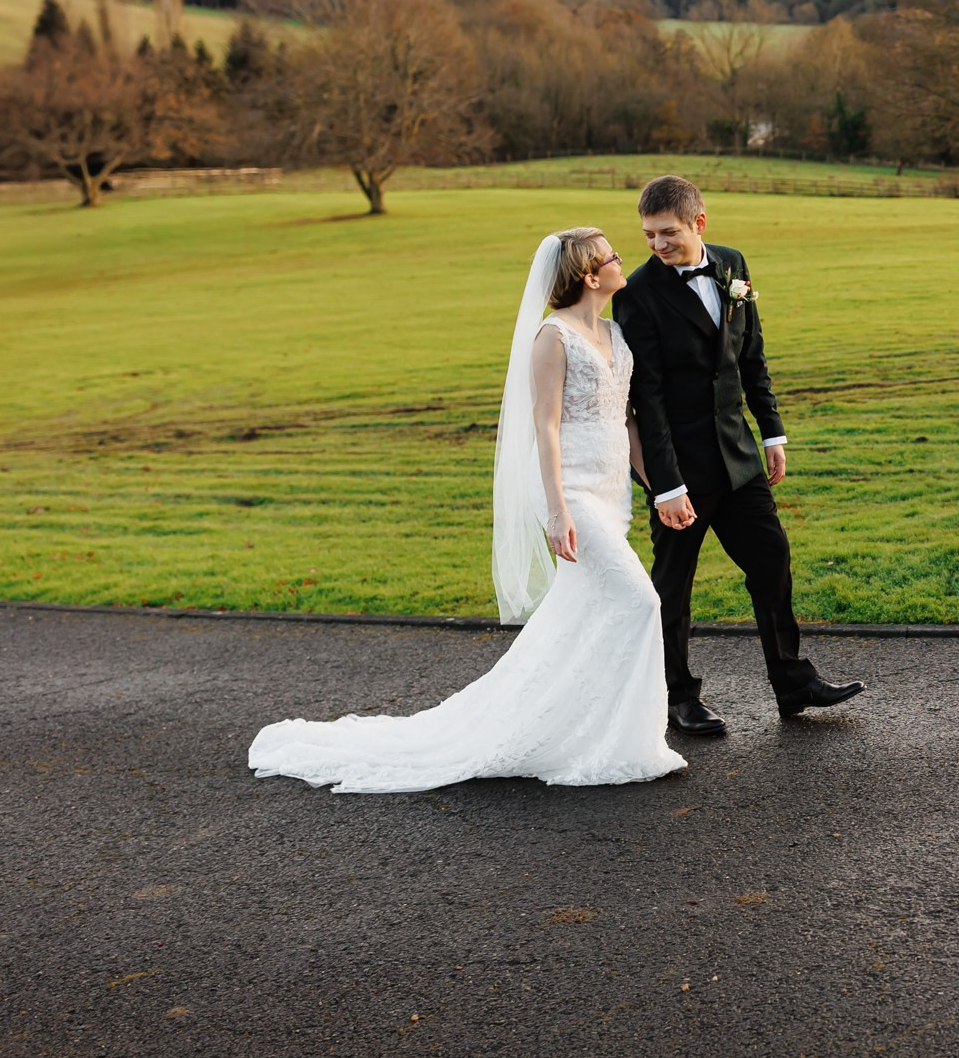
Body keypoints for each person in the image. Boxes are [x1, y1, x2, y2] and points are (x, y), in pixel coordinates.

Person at [248, 228, 685, 793]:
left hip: (610, 492)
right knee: (639, 601)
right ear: (587, 273)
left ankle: (576, 729)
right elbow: (545, 427)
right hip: (569, 489)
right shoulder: (552, 338)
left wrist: (660, 488)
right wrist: (557, 509)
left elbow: (626, 423)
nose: (622, 259)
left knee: (587, 612)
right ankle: (631, 741)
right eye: (611, 256)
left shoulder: (615, 333)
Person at [614, 175, 864, 736]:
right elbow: (646, 401)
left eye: (668, 232)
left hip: (740, 457)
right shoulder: (637, 295)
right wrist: (665, 486)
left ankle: (793, 682)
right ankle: (677, 699)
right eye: (649, 234)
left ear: (699, 224)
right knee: (673, 588)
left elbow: (752, 356)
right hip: (679, 472)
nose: (657, 244)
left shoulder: (732, 264)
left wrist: (772, 432)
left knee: (771, 563)